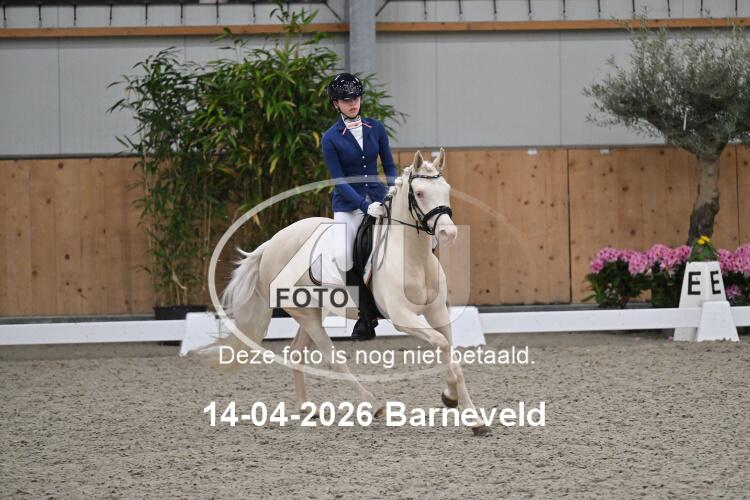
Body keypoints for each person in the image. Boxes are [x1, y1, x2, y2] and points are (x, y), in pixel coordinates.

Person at [321, 73, 397, 341]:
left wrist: (392, 192)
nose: (353, 103)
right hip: (348, 205)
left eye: (356, 98)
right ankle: (365, 316)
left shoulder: (376, 128)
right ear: (336, 104)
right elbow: (338, 180)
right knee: (343, 256)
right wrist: (363, 206)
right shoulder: (330, 138)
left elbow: (389, 165)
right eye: (346, 100)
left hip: (379, 197)